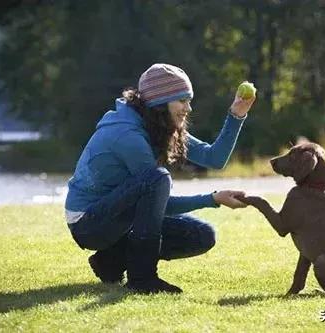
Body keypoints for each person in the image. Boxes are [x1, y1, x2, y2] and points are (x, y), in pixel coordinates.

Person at [65, 63, 255, 294]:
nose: (189, 108)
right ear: (159, 103)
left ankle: (111, 260)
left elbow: (213, 158)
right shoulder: (128, 134)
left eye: (189, 100)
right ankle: (142, 278)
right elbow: (159, 200)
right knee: (157, 178)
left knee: (201, 235)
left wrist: (237, 114)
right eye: (182, 100)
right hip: (89, 222)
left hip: (118, 217)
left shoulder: (156, 124)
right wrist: (212, 199)